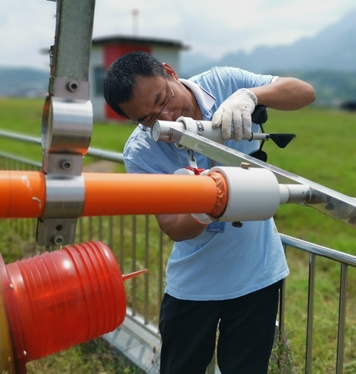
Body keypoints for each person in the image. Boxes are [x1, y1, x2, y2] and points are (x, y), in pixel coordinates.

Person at [103, 51, 315, 374]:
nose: (167, 117)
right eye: (147, 118)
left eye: (163, 98)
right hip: (195, 285)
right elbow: (173, 226)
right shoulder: (142, 151)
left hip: (257, 275)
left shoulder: (223, 83)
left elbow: (303, 92)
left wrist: (249, 96)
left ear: (170, 72)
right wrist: (208, 203)